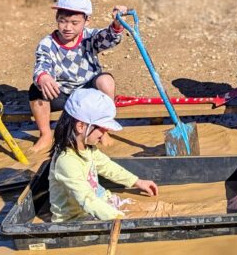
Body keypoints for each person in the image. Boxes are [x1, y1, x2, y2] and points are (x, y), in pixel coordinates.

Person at [29, 0, 128, 153]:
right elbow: (42, 64)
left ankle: (102, 129)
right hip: (62, 94)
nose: (68, 27)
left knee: (106, 80)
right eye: (63, 21)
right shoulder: (47, 43)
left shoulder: (89, 37)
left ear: (86, 21)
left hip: (88, 93)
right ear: (57, 18)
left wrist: (117, 23)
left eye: (75, 23)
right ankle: (46, 134)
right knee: (36, 89)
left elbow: (109, 38)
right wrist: (44, 76)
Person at [49, 88, 158, 222]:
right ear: (81, 127)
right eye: (102, 129)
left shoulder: (87, 148)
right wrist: (118, 219)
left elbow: (107, 166)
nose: (104, 135)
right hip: (76, 218)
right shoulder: (66, 162)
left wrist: (136, 181)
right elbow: (87, 200)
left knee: (151, 210)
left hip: (98, 202)